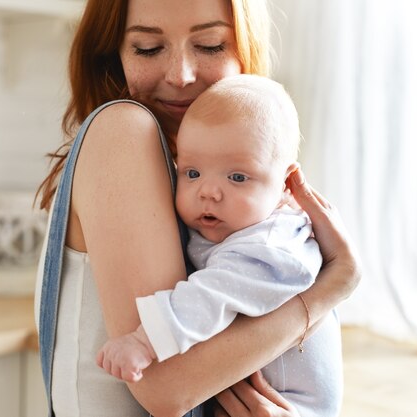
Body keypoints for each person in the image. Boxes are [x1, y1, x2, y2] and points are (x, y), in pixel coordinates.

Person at [34, 0, 361, 416]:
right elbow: (167, 387)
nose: (180, 75)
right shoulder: (124, 131)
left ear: (245, 47)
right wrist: (331, 288)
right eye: (148, 48)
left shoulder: (206, 181)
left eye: (209, 46)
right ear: (112, 54)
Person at [96, 74, 343, 417]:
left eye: (237, 177)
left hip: (291, 405)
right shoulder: (236, 222)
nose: (208, 192)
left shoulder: (273, 243)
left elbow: (213, 295)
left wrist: (143, 341)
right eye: (192, 173)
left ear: (287, 183)